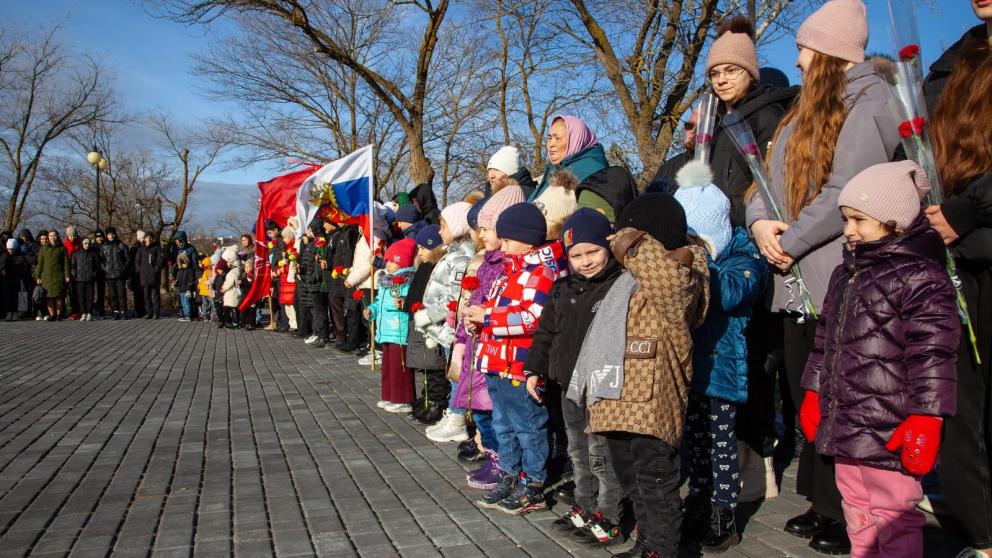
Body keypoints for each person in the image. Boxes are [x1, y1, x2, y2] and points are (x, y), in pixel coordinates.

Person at [745, 1, 900, 551]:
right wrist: (761, 221)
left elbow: (848, 192)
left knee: (844, 393)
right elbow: (763, 183)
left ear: (832, 50)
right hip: (793, 275)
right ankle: (820, 498)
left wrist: (790, 239)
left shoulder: (870, 99)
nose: (800, 58)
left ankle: (847, 508)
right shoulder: (799, 112)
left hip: (838, 268)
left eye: (806, 47)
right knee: (806, 388)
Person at [799, 161, 959, 558]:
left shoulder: (920, 276)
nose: (849, 230)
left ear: (895, 221)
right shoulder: (845, 273)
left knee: (893, 512)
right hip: (847, 418)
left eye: (859, 220)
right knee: (855, 505)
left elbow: (933, 352)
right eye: (844, 219)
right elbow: (825, 341)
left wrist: (928, 415)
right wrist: (814, 391)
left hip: (892, 426)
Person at [581, 193, 708, 558]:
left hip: (653, 402)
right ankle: (647, 542)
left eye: (631, 237)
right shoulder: (629, 279)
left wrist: (629, 242)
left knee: (656, 480)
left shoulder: (684, 274)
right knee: (633, 480)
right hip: (618, 397)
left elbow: (667, 284)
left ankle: (663, 550)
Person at [925, 6, 992, 556]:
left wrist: (970, 207)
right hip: (958, 251)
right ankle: (984, 533)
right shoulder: (956, 61)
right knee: (963, 403)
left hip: (975, 225)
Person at [674, 162, 767, 551]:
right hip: (692, 367)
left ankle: (723, 511)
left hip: (723, 371)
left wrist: (701, 262)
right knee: (694, 443)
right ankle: (698, 498)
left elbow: (729, 295)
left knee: (720, 444)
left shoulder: (741, 259)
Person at [524, 208, 625, 546]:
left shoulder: (619, 285)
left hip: (602, 386)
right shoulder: (563, 286)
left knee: (602, 454)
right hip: (569, 384)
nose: (585, 261)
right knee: (578, 450)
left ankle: (610, 513)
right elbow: (546, 332)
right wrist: (535, 369)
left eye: (592, 251)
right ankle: (585, 503)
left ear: (607, 247)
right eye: (576, 255)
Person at [464, 202, 568, 516]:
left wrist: (490, 316)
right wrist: (478, 321)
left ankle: (534, 482)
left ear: (527, 238)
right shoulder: (510, 271)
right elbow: (497, 313)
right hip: (496, 361)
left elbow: (533, 318)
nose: (503, 247)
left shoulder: (540, 272)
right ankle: (510, 473)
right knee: (503, 424)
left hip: (521, 365)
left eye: (508, 241)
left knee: (528, 425)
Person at [417, 202, 476, 441]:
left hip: (452, 328)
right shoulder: (452, 253)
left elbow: (455, 298)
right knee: (452, 374)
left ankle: (457, 419)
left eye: (443, 226)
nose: (440, 232)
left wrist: (429, 315)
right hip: (444, 329)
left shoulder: (462, 257)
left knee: (457, 374)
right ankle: (452, 414)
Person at [529, 115, 636, 223]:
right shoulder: (557, 168)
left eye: (557, 138)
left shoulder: (592, 171)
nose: (551, 144)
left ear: (575, 139)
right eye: (549, 138)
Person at [365, 238, 418, 413]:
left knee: (399, 367)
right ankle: (389, 395)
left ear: (402, 262)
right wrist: (372, 309)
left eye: (393, 261)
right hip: (385, 330)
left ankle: (403, 398)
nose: (387, 264)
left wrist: (403, 303)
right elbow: (379, 300)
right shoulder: (387, 280)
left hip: (398, 330)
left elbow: (409, 301)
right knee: (387, 367)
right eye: (387, 260)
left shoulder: (406, 280)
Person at [405, 224, 449, 424]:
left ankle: (436, 402)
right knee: (423, 364)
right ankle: (427, 398)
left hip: (432, 323)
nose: (419, 253)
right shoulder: (424, 266)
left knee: (433, 365)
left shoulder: (438, 267)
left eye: (423, 248)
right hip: (420, 320)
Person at [34, 230, 70, 321]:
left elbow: (66, 263)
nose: (53, 238)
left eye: (54, 236)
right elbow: (40, 264)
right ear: (48, 237)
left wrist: (67, 275)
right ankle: (52, 315)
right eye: (51, 236)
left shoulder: (62, 248)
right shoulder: (44, 249)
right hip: (46, 277)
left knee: (59, 296)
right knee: (49, 297)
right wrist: (37, 276)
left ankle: (59, 315)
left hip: (59, 276)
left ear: (57, 237)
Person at [99, 227, 130, 320]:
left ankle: (123, 312)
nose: (111, 236)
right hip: (109, 275)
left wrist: (123, 268)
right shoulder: (103, 247)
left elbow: (127, 258)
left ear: (115, 234)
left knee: (121, 294)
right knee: (112, 295)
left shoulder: (121, 245)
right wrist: (105, 269)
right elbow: (101, 260)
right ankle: (115, 312)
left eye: (112, 234)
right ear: (106, 236)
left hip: (120, 274)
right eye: (109, 234)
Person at [70, 236, 100, 321]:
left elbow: (97, 266)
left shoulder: (93, 253)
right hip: (79, 279)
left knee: (90, 297)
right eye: (85, 243)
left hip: (90, 279)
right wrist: (74, 275)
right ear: (82, 244)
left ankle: (89, 313)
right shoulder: (76, 253)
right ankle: (83, 313)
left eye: (88, 243)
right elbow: (72, 266)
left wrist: (94, 274)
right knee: (81, 297)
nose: (87, 245)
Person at [136, 232, 163, 319]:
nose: (148, 239)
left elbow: (160, 261)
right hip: (144, 276)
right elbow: (137, 261)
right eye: (146, 237)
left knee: (155, 296)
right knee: (146, 296)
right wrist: (139, 270)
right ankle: (149, 312)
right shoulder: (141, 249)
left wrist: (156, 270)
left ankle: (156, 313)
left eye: (150, 237)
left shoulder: (156, 248)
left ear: (152, 238)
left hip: (154, 276)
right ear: (144, 239)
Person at [1, 238, 27, 320]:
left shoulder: (20, 256)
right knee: (8, 296)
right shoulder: (4, 256)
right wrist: (4, 272)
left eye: (12, 249)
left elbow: (24, 267)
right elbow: (2, 266)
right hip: (7, 279)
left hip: (17, 279)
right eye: (9, 249)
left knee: (16, 296)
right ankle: (9, 312)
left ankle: (15, 312)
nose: (11, 251)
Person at [220, 247, 242, 328]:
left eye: (228, 261)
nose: (227, 263)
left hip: (232, 291)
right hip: (230, 292)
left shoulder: (234, 270)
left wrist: (224, 288)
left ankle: (233, 322)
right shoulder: (235, 269)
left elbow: (230, 281)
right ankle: (232, 321)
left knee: (231, 307)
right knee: (230, 307)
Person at [175, 253, 196, 322]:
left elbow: (191, 280)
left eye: (183, 262)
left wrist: (189, 289)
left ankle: (188, 315)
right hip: (181, 289)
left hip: (186, 289)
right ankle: (185, 314)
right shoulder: (180, 271)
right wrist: (176, 283)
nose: (182, 264)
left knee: (187, 303)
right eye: (181, 263)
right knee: (183, 303)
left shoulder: (189, 270)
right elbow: (178, 280)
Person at [129, 231, 146, 319]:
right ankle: (138, 311)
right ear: (139, 238)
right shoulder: (134, 248)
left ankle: (142, 311)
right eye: (143, 237)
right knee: (138, 294)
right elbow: (132, 262)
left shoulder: (143, 247)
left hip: (142, 274)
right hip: (136, 275)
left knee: (143, 293)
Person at [93, 230, 106, 318]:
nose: (99, 239)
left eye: (101, 237)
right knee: (92, 293)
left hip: (103, 272)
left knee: (101, 293)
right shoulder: (92, 247)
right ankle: (93, 310)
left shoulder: (106, 246)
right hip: (94, 273)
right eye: (97, 237)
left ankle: (101, 311)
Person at [198, 256, 214, 321]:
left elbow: (210, 280)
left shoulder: (208, 272)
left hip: (208, 290)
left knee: (209, 304)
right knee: (208, 304)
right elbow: (203, 281)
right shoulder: (207, 272)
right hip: (206, 290)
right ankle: (208, 315)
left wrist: (199, 285)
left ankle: (208, 315)